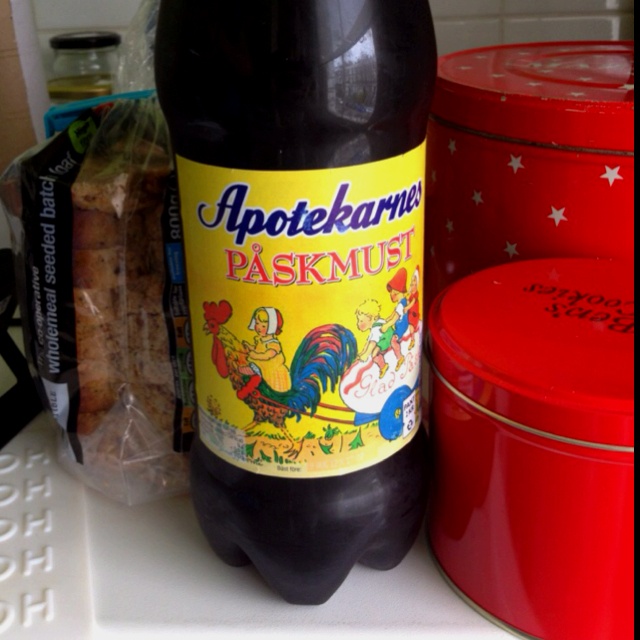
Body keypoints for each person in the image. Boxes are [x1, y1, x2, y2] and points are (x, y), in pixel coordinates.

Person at [237, 307, 291, 399]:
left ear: (272, 327)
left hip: (271, 371)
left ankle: (245, 391)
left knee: (256, 377)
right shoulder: (261, 340)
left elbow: (268, 355)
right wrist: (250, 347)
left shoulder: (273, 343)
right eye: (257, 323)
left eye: (263, 326)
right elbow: (258, 348)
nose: (258, 327)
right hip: (263, 365)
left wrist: (255, 355)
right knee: (254, 369)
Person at [355, 299, 404, 378]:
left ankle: (383, 366)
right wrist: (362, 353)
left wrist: (365, 355)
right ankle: (384, 366)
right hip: (384, 339)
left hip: (386, 339)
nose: (358, 324)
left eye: (361, 321)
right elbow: (368, 342)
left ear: (371, 318)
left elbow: (372, 343)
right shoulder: (377, 325)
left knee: (374, 354)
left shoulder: (375, 329)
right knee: (375, 350)